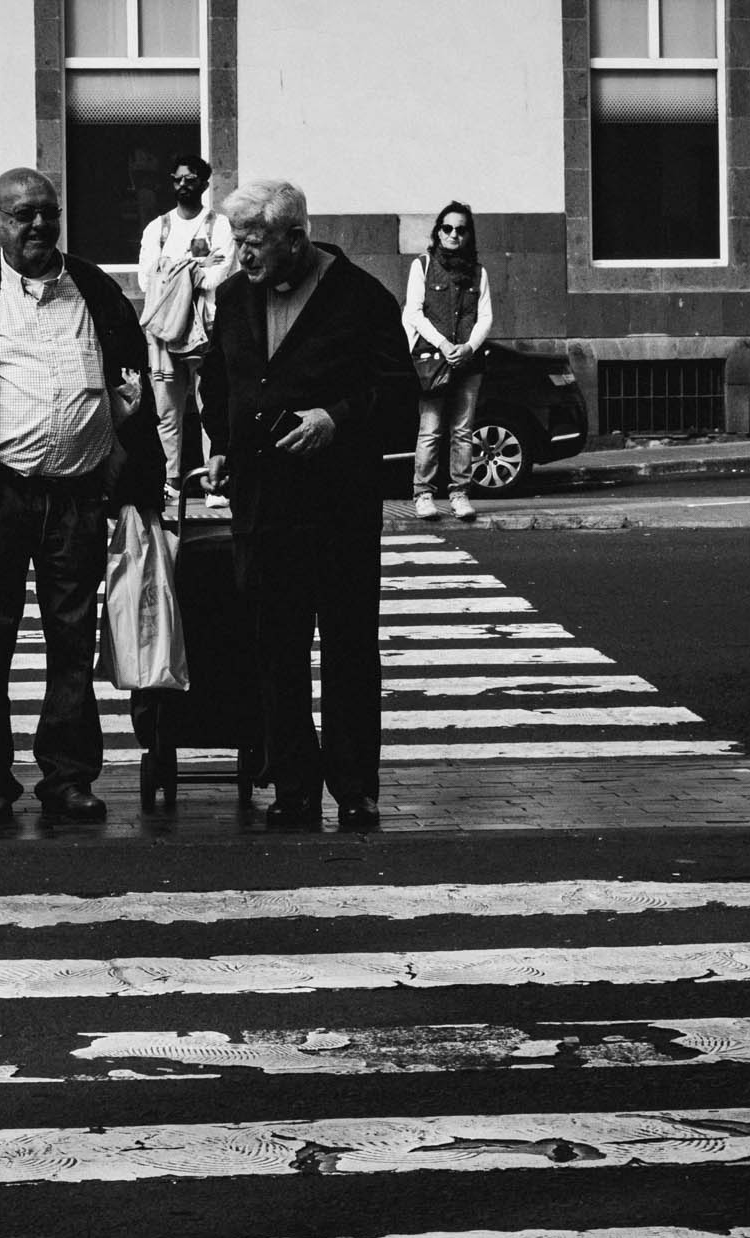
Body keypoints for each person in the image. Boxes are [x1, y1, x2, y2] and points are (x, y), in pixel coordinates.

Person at [0, 167, 163, 823]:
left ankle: (68, 778)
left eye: (48, 212)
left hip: (77, 499)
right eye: (23, 215)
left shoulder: (98, 292)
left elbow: (136, 391)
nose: (40, 224)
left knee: (71, 645)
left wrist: (143, 482)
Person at [200, 180, 416, 831]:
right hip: (263, 503)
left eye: (255, 241)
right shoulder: (234, 295)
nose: (243, 254)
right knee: (275, 647)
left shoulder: (359, 298)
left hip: (338, 506)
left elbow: (400, 396)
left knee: (348, 644)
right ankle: (292, 784)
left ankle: (355, 787)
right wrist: (219, 442)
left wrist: (336, 418)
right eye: (237, 241)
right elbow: (218, 375)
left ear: (296, 237)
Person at [138, 153, 235, 508]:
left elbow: (220, 276)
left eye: (191, 179)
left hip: (206, 331)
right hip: (164, 333)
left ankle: (214, 483)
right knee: (167, 411)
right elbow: (146, 279)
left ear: (205, 183)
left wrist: (173, 268)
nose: (183, 185)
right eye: (178, 179)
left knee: (211, 405)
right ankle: (172, 482)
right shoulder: (157, 227)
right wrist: (194, 267)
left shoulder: (219, 226)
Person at [402, 202, 492, 522]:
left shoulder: (479, 273)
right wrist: (442, 344)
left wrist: (467, 347)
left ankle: (459, 493)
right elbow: (412, 312)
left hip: (468, 363)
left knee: (463, 430)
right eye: (447, 228)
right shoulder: (423, 266)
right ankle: (423, 494)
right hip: (432, 362)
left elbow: (485, 317)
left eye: (461, 229)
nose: (454, 234)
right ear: (438, 231)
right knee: (430, 429)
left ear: (468, 234)